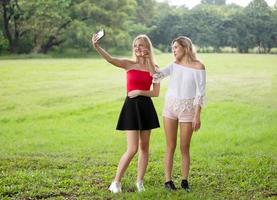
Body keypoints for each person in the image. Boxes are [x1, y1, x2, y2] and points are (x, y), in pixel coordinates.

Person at [91, 33, 160, 193]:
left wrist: (139, 92)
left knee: (145, 148)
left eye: (141, 45)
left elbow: (155, 93)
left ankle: (140, 182)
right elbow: (110, 59)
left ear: (147, 47)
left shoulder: (154, 68)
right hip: (131, 108)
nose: (138, 49)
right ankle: (115, 183)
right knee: (132, 148)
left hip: (146, 107)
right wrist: (97, 47)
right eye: (135, 46)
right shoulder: (129, 64)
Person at [153, 36, 206, 192]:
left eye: (176, 47)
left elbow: (200, 94)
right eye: (173, 48)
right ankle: (168, 181)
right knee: (170, 145)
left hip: (188, 110)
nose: (173, 50)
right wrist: (151, 63)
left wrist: (197, 115)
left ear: (185, 47)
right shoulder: (174, 65)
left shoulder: (199, 67)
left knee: (184, 146)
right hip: (170, 108)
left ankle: (184, 181)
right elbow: (157, 75)